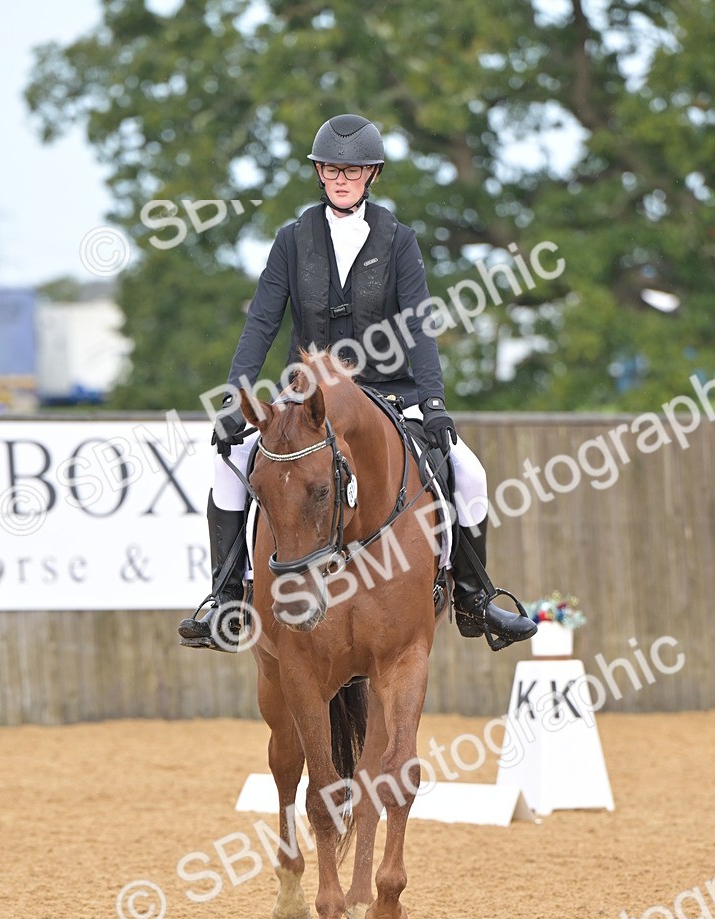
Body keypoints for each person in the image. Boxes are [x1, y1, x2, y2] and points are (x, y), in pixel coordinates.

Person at [178, 113, 536, 651]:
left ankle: (473, 598)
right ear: (319, 173)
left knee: (470, 473)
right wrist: (235, 398)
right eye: (331, 169)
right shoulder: (291, 241)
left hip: (388, 392)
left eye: (352, 170)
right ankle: (226, 600)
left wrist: (434, 403)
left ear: (372, 174)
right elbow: (261, 325)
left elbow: (419, 327)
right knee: (228, 463)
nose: (341, 178)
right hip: (308, 396)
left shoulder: (399, 241)